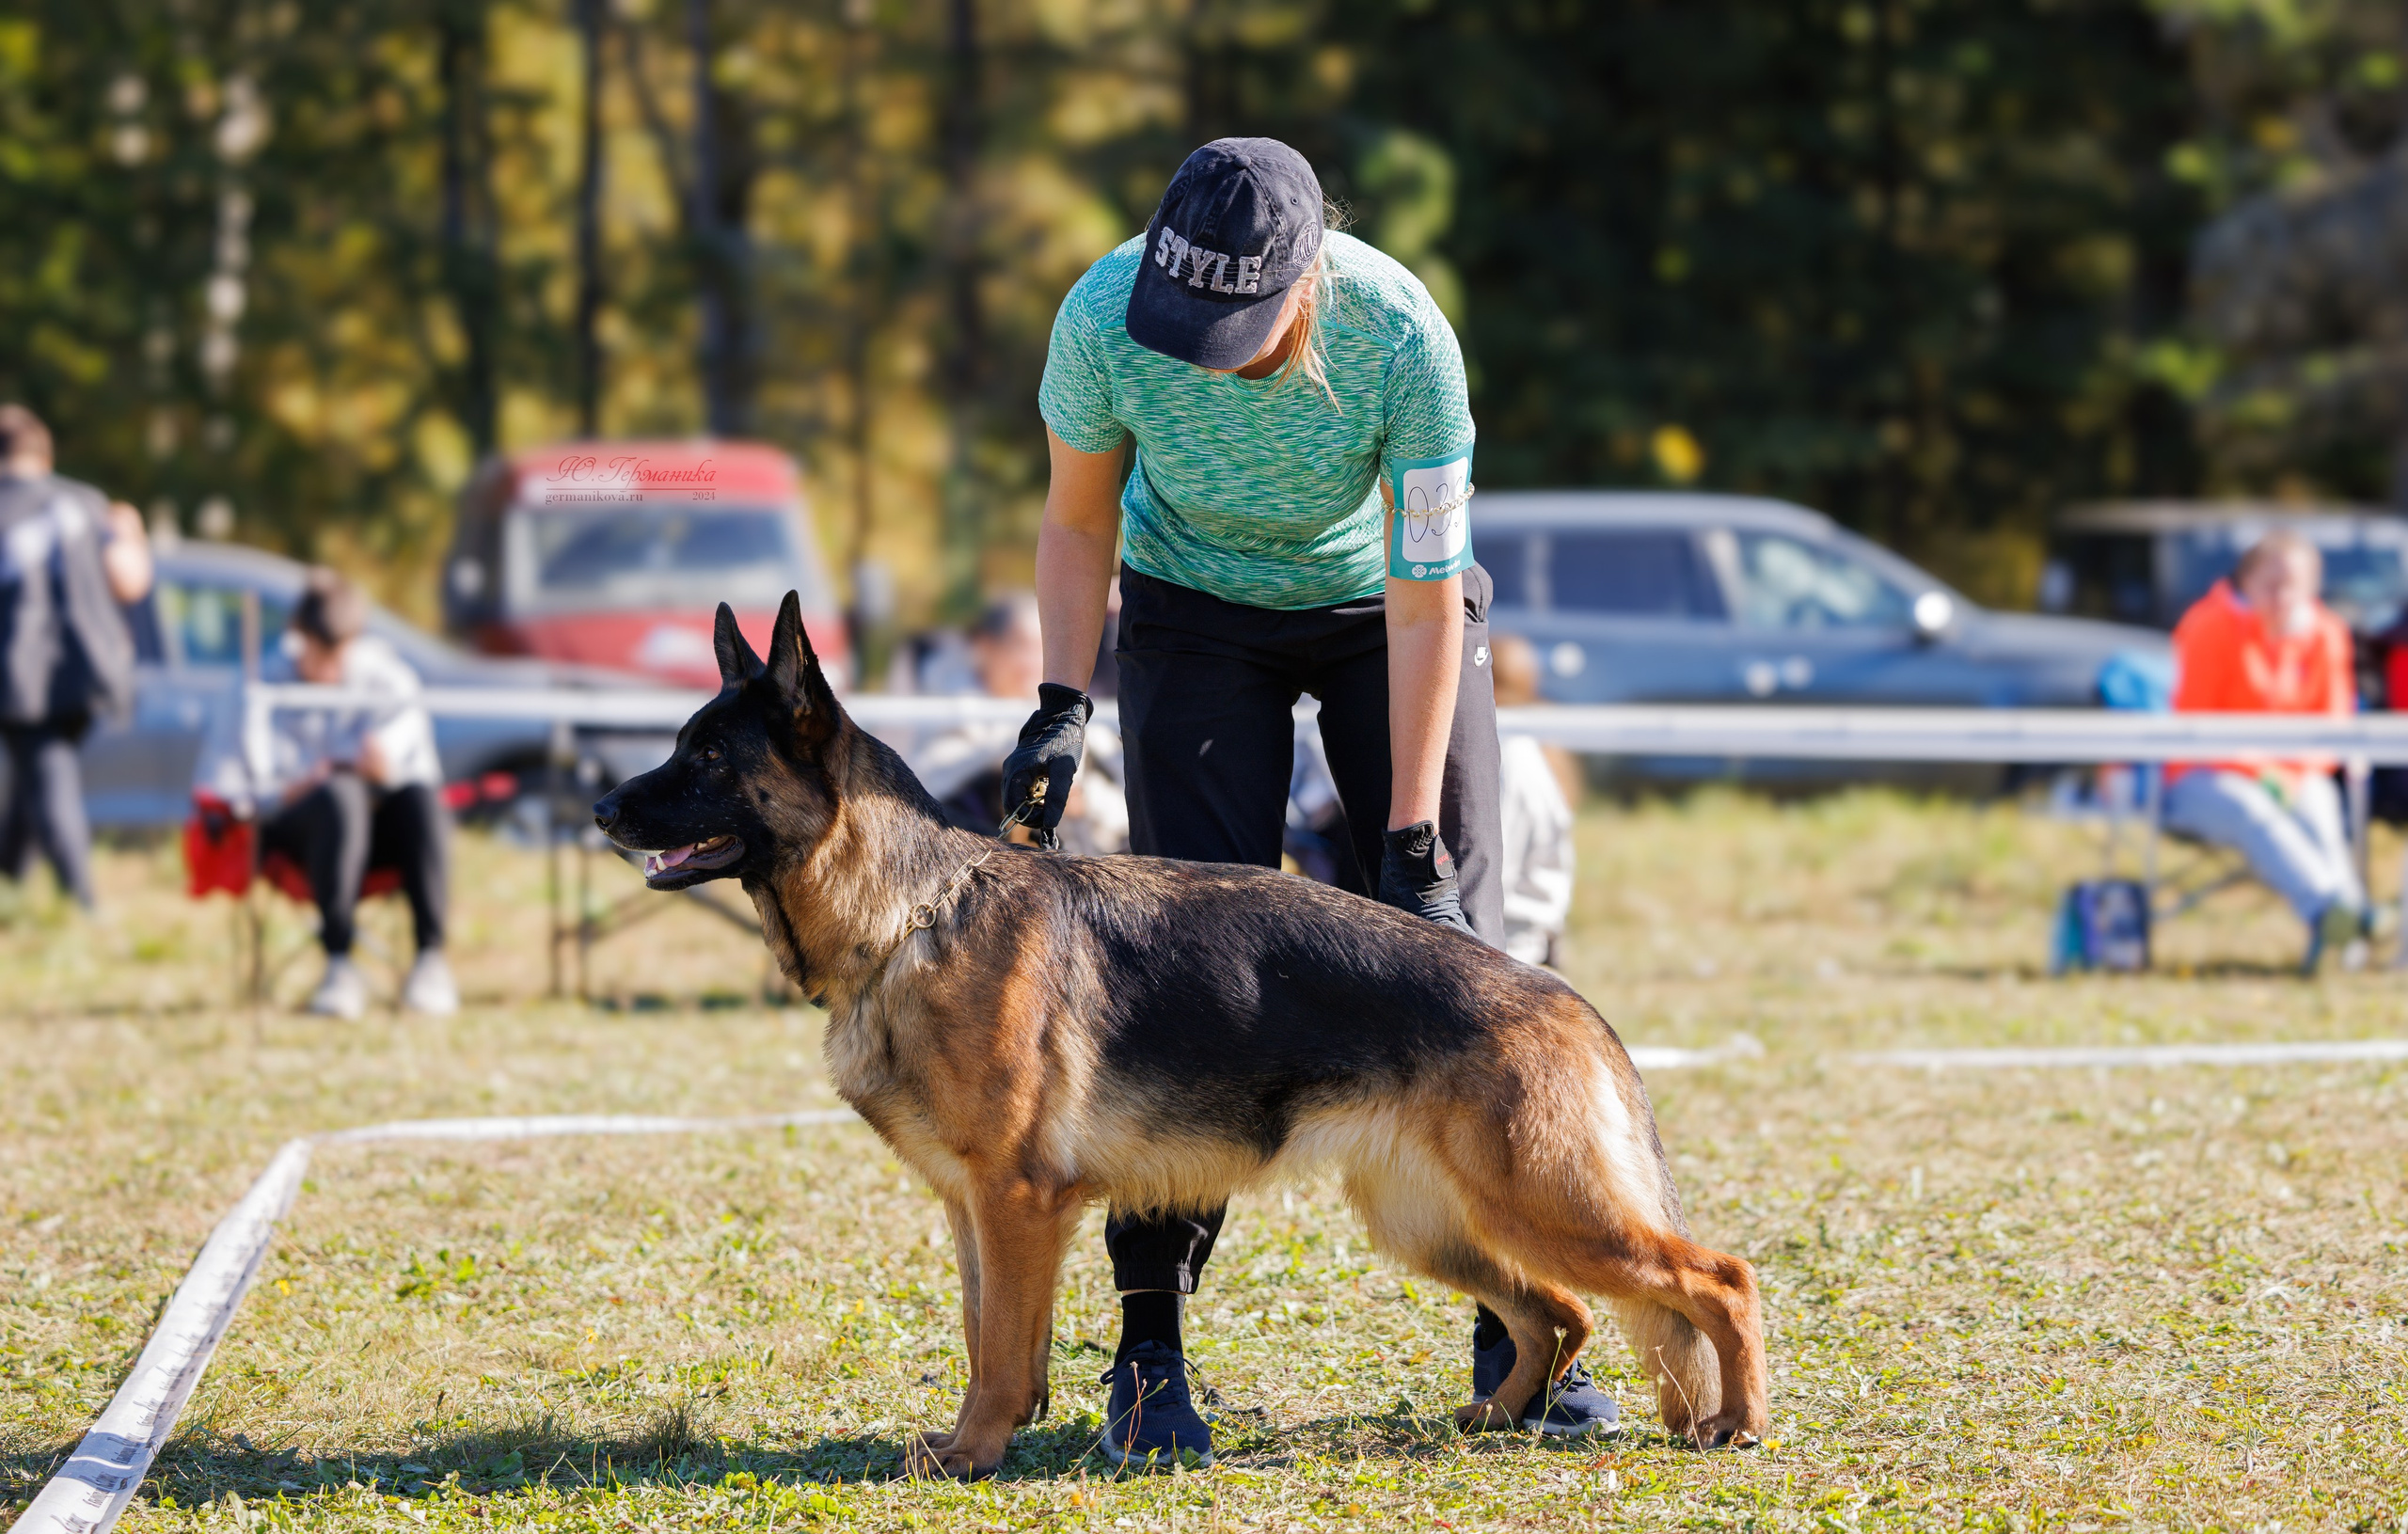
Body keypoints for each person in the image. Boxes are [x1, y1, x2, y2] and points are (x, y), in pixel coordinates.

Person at [1003, 136, 1617, 1467]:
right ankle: (1148, 1352)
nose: (1206, 351)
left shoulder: (1403, 336)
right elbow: (1073, 519)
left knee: (1466, 959)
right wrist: (1060, 701)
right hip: (1190, 612)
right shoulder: (1106, 316)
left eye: (1239, 326)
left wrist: (1408, 842)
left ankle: (1524, 1339)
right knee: (1161, 985)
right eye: (1190, 322)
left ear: (1308, 278)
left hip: (1377, 613)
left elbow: (1421, 590)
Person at [246, 570, 457, 1018]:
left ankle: (431, 959)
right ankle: (338, 962)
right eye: (315, 652)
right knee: (339, 795)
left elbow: (416, 770)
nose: (325, 668)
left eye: (335, 654)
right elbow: (249, 786)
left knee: (421, 799)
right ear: (297, 636)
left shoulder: (390, 679)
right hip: (299, 834)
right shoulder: (266, 682)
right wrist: (307, 783)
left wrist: (384, 769)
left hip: (375, 834)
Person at [2164, 530, 2366, 972]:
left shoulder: (2327, 633)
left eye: (2293, 583)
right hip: (2205, 775)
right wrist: (2261, 770)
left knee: (2319, 805)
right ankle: (2327, 910)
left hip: (2291, 775)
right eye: (2270, 583)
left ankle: (2351, 932)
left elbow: (2334, 728)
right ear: (2246, 581)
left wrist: (2288, 774)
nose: (2281, 595)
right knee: (2252, 807)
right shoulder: (2210, 624)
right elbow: (2194, 727)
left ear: (2313, 586)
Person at [0, 404, 150, 910]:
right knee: (35, 774)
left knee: (47, 774)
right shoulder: (86, 503)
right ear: (44, 454)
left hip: (19, 676)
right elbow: (131, 582)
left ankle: (82, 902)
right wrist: (132, 534)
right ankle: (14, 880)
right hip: (90, 672)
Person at [909, 593, 1130, 853]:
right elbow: (926, 788)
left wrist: (1082, 801)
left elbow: (1122, 815)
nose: (1035, 661)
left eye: (1044, 649)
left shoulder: (1080, 723)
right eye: (1021, 646)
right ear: (984, 646)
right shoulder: (947, 712)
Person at [1490, 634, 1577, 967]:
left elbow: (1496, 872)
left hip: (1512, 951)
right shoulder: (1529, 747)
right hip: (1517, 941)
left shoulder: (1509, 758)